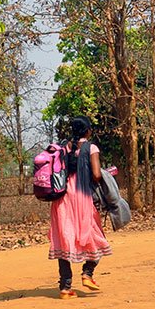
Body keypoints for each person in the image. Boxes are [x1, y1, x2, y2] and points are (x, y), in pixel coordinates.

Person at [49, 117, 112, 296]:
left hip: (62, 198)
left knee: (64, 238)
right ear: (87, 131)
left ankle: (65, 287)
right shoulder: (91, 148)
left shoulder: (63, 147)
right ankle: (87, 273)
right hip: (82, 196)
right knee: (95, 235)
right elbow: (97, 174)